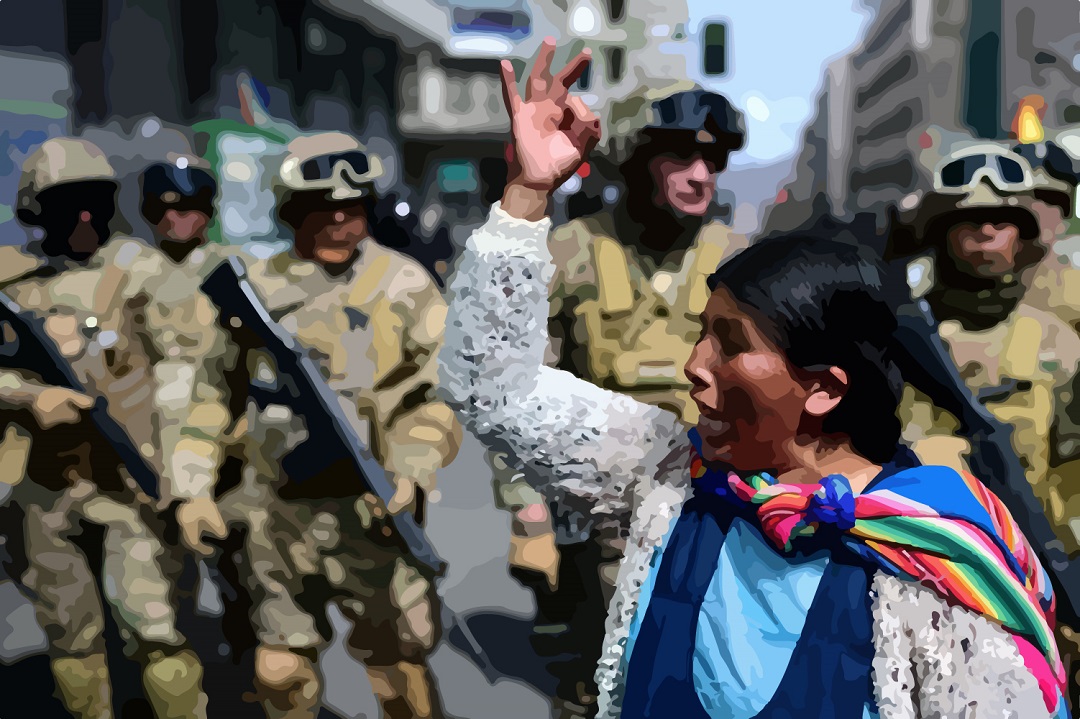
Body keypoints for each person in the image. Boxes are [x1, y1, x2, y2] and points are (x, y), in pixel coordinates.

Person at [435, 40, 1070, 718]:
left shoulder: (941, 568)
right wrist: (528, 194)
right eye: (701, 330)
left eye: (729, 344)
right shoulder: (670, 475)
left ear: (826, 387)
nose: (692, 367)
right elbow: (493, 387)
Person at [496, 83, 749, 715]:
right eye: (680, 160)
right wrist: (526, 512)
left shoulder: (739, 261)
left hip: (716, 518)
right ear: (635, 163)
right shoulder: (569, 252)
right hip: (599, 519)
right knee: (595, 687)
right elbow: (515, 388)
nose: (701, 178)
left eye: (713, 162)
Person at [215, 131, 461, 718]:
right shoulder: (255, 289)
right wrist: (194, 488)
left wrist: (411, 470)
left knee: (397, 667)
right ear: (291, 210)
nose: (339, 221)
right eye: (320, 208)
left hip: (373, 513)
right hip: (278, 516)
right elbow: (205, 392)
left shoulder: (404, 285)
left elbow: (438, 396)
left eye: (352, 208)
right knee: (280, 670)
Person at [0, 137, 221, 717]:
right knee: (70, 638)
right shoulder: (12, 281)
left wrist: (189, 484)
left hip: (132, 481)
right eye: (63, 204)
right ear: (34, 209)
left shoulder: (142, 272)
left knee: (156, 631)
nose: (81, 217)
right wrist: (28, 396)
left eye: (93, 201)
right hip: (43, 489)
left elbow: (189, 380)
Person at [890, 140, 1080, 705]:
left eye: (1002, 221)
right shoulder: (896, 334)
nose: (986, 234)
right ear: (940, 230)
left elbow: (1071, 471)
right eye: (969, 221)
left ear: (1023, 233)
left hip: (1039, 576)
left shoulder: (1059, 344)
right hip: (927, 575)